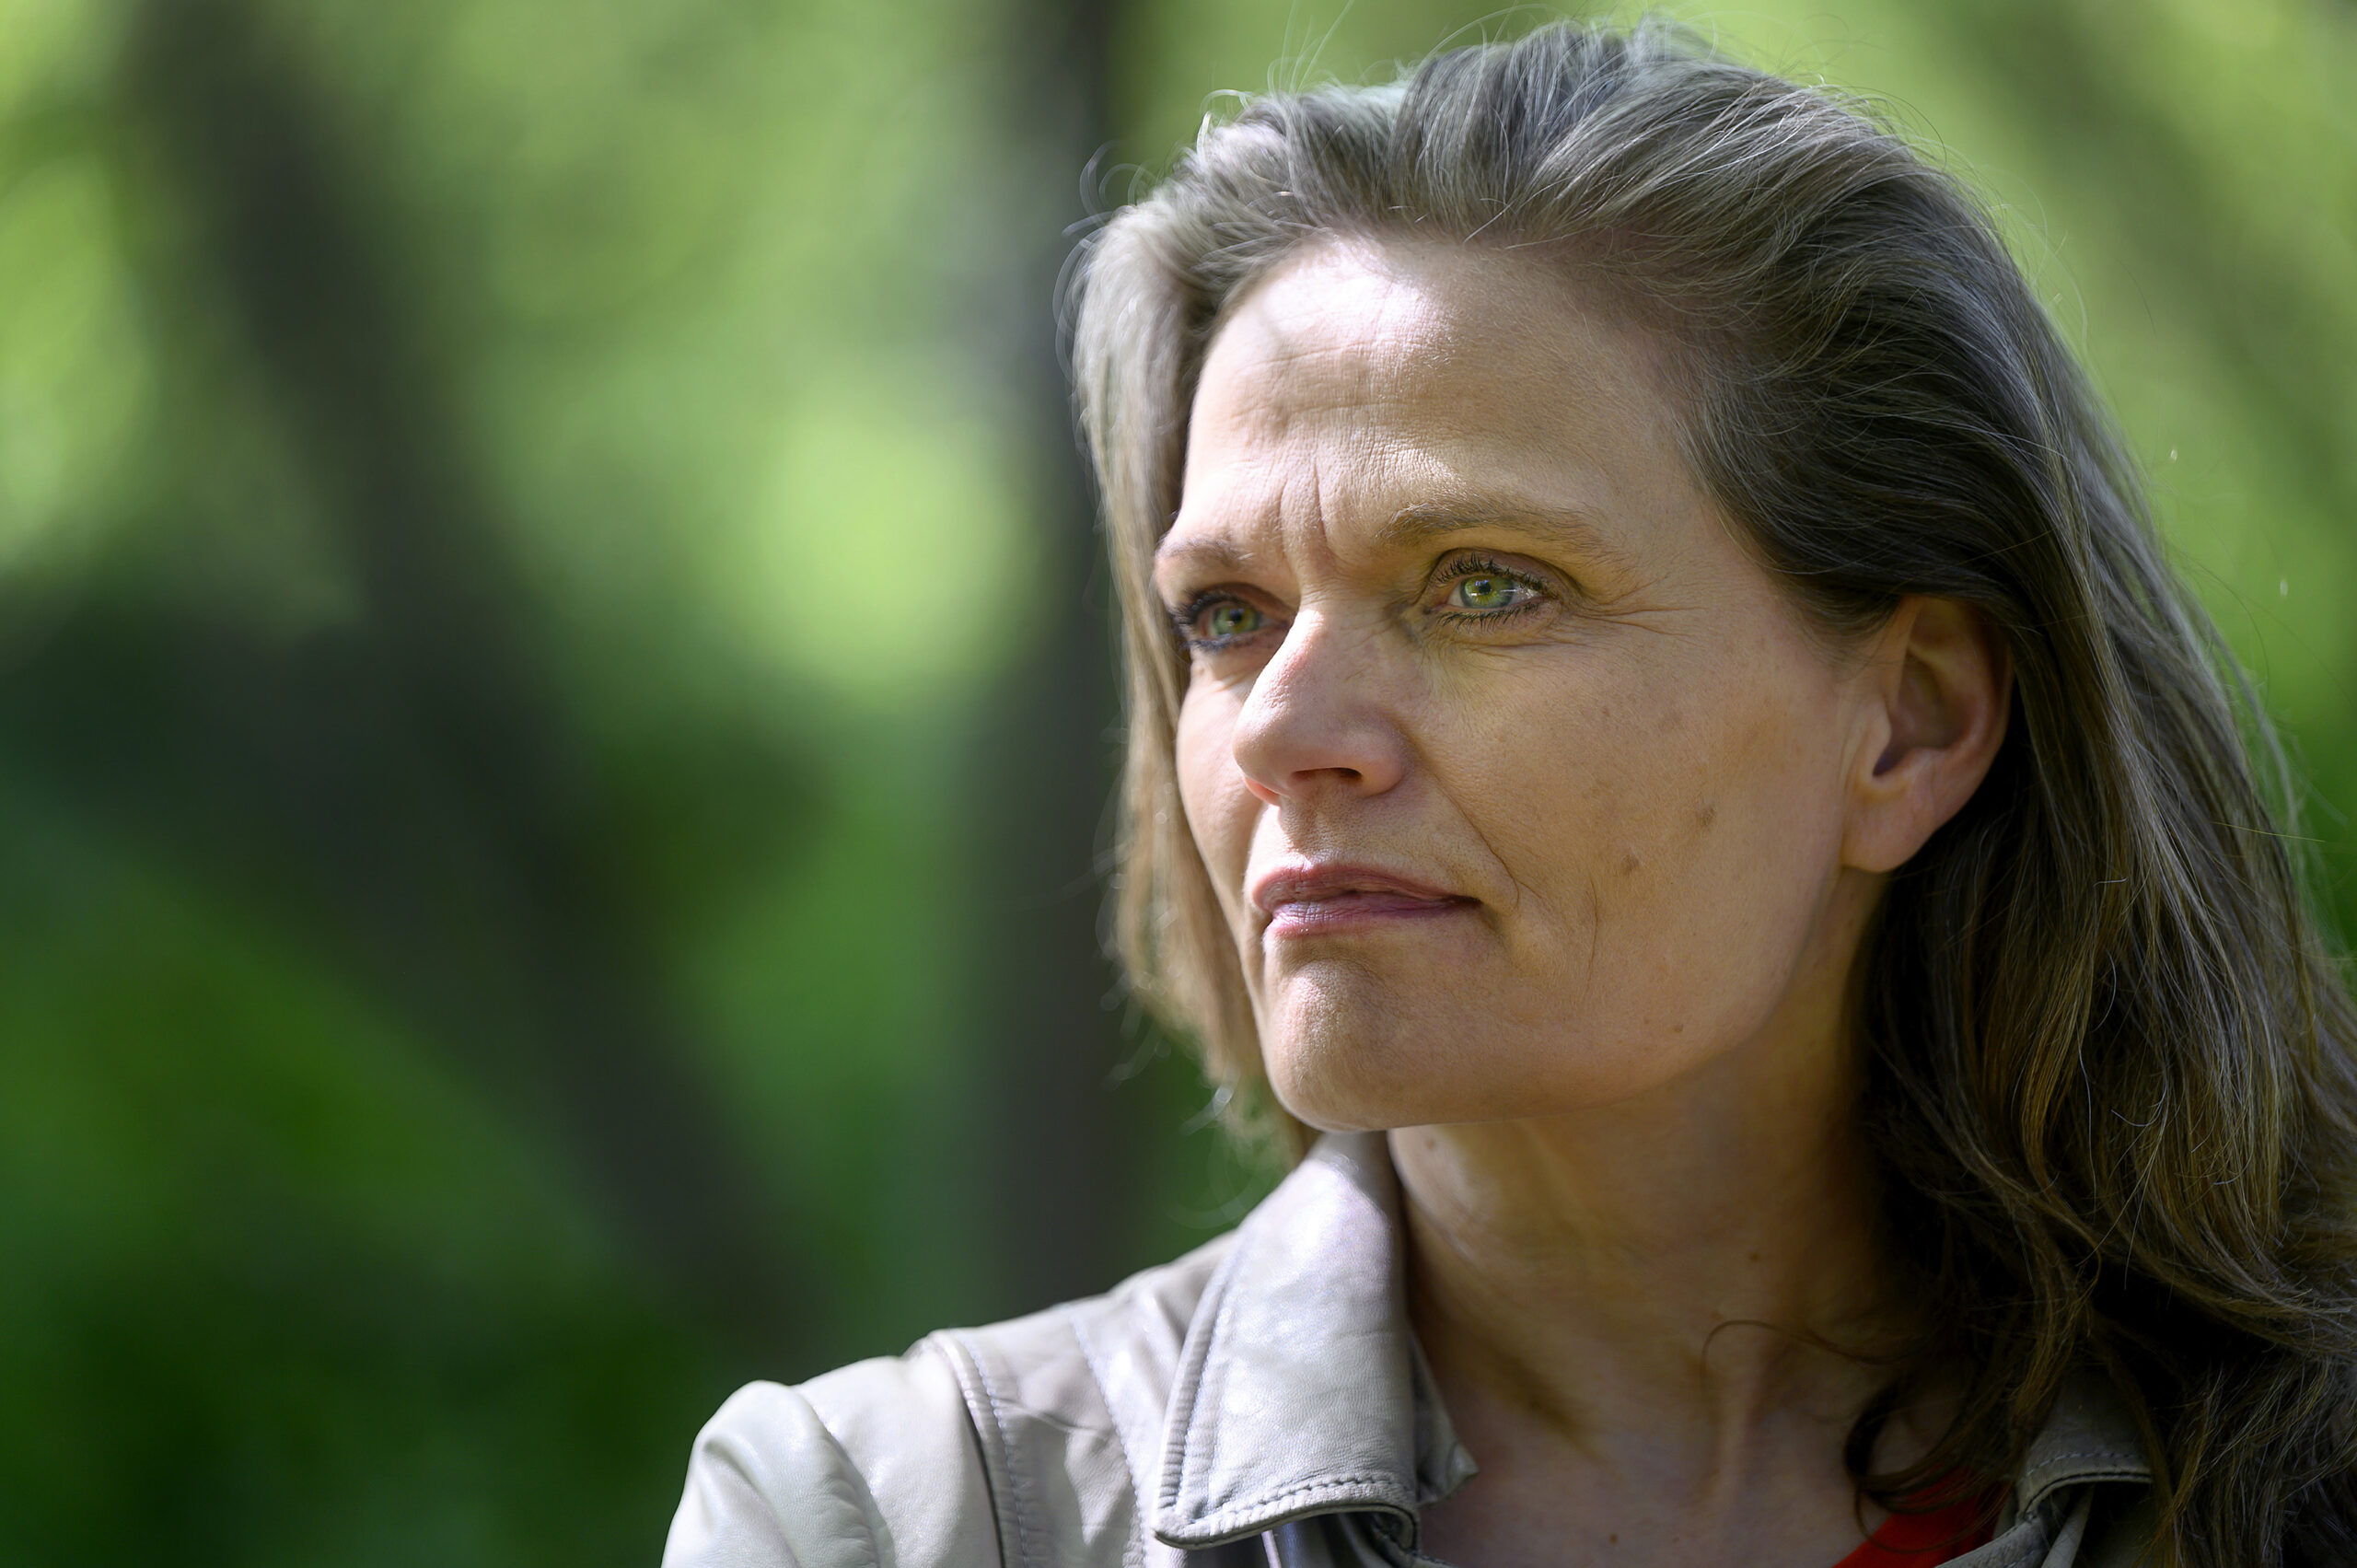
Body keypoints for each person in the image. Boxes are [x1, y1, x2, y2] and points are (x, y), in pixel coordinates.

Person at [662, 19, 2357, 1568]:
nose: (1278, 729)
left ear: (1909, 726)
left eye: (1484, 586)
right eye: (1228, 616)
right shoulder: (891, 1521)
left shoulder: (2298, 1487)